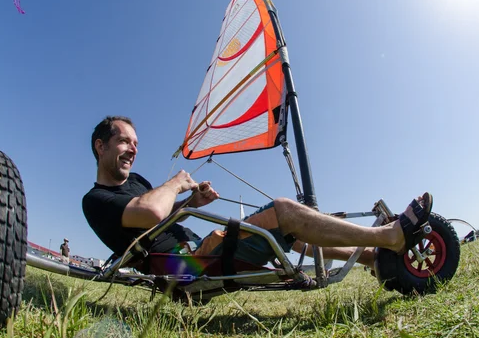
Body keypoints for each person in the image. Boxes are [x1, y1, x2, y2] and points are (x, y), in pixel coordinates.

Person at [82, 116, 434, 271]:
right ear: (101, 146)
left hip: (196, 254)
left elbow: (160, 220)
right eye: (124, 141)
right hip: (183, 269)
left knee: (287, 233)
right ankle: (389, 237)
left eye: (135, 143)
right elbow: (151, 215)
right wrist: (176, 184)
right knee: (283, 210)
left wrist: (192, 203)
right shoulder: (96, 199)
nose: (133, 149)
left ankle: (373, 259)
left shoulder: (138, 183)